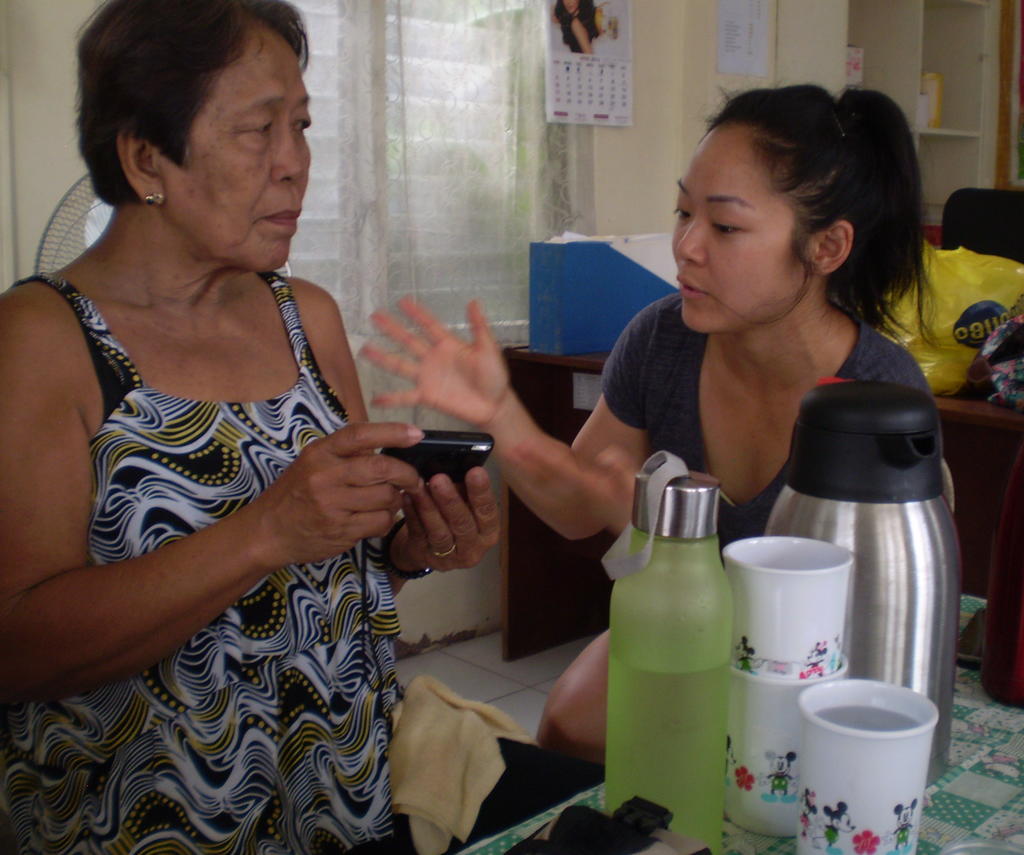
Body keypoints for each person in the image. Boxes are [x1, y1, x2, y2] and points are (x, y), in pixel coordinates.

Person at [0, 1, 598, 853]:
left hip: (338, 793)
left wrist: (408, 547)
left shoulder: (304, 318)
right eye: (258, 130)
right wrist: (264, 532)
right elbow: (16, 646)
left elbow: (344, 581)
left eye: (304, 125)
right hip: (142, 817)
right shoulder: (40, 340)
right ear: (144, 157)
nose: (297, 165)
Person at [365, 84, 932, 765]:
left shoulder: (883, 397)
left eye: (724, 227)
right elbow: (578, 510)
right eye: (682, 210)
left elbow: (870, 621)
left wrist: (642, 526)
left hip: (817, 662)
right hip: (681, 625)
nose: (686, 246)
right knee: (571, 725)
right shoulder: (662, 340)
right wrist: (500, 415)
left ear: (827, 247)